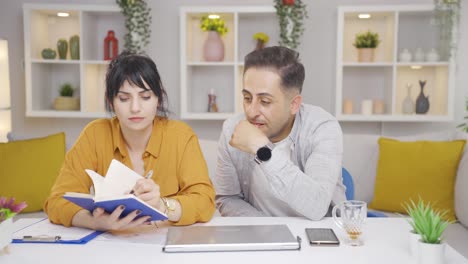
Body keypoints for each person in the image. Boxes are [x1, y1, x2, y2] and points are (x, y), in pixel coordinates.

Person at [44, 52, 216, 230]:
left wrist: (162, 206)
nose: (135, 108)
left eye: (145, 97)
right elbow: (56, 201)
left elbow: (205, 202)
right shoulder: (95, 134)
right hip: (112, 249)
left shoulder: (181, 136)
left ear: (158, 98)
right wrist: (95, 222)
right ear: (111, 101)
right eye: (124, 98)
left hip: (166, 247)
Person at [214, 46, 346, 220]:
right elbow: (228, 199)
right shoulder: (232, 129)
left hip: (319, 237)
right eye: (247, 98)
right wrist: (271, 231)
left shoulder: (322, 127)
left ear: (294, 104)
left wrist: (261, 149)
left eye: (265, 101)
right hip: (261, 237)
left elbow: (317, 206)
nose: (251, 111)